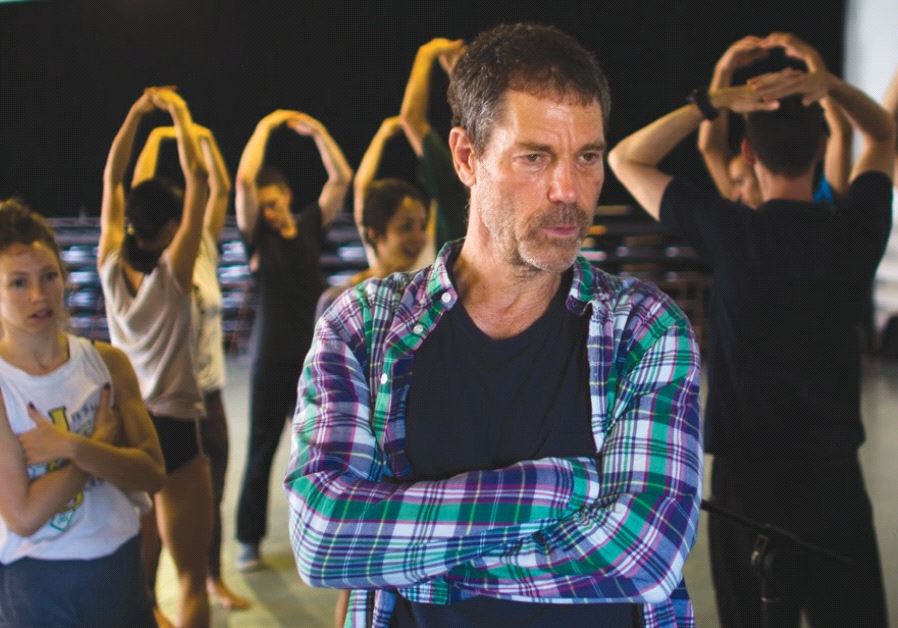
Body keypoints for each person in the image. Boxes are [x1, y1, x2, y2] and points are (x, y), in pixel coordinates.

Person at [286, 23, 703, 628]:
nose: (569, 190)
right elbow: (324, 539)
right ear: (465, 157)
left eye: (587, 157)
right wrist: (565, 489)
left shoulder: (644, 329)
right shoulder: (362, 327)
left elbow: (644, 556)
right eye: (535, 157)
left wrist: (404, 562)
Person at [609, 32, 893, 627]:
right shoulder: (855, 232)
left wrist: (714, 98)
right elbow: (889, 135)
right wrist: (832, 85)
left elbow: (625, 159)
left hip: (747, 482)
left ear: (747, 157)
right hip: (831, 476)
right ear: (821, 150)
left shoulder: (730, 232)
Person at [0, 198, 164, 627]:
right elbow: (24, 515)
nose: (39, 295)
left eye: (49, 276)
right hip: (40, 581)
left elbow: (151, 472)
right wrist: (98, 446)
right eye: (18, 283)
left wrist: (73, 447)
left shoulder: (107, 363)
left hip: (121, 562)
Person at [98, 87, 214, 628]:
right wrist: (179, 112)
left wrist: (136, 113)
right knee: (191, 577)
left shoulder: (107, 264)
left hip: (128, 426)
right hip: (173, 424)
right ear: (170, 229)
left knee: (141, 584)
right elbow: (203, 182)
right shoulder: (173, 272)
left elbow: (111, 179)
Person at [132, 124, 251, 610]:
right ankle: (154, 600)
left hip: (212, 393)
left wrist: (202, 137)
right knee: (160, 505)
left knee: (212, 494)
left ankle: (210, 578)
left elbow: (217, 187)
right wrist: (161, 136)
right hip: (174, 398)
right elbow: (139, 193)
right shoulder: (157, 265)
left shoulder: (200, 248)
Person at [234, 109, 352, 571]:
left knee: (322, 450)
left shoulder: (308, 226)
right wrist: (264, 128)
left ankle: (327, 534)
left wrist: (320, 131)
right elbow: (242, 183)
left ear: (285, 195)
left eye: (274, 200)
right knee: (261, 451)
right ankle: (248, 541)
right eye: (263, 206)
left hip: (314, 360)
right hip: (271, 360)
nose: (270, 209)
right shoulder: (256, 241)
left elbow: (341, 178)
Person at [698, 36, 853, 208]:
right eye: (735, 183)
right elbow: (710, 147)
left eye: (740, 181)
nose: (734, 194)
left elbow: (841, 134)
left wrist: (816, 67)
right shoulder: (744, 215)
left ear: (760, 165)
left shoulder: (820, 205)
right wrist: (723, 70)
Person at [317, 171, 429, 318]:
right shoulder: (340, 301)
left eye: (422, 226)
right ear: (374, 234)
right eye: (406, 227)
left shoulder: (426, 300)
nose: (419, 237)